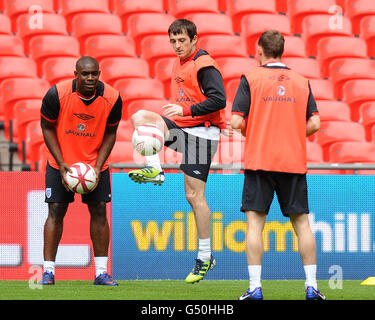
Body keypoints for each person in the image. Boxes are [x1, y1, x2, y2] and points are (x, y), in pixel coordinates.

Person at [128, 19, 227, 283]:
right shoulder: (178, 63)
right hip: (185, 129)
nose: (177, 45)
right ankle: (155, 170)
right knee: (140, 117)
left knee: (195, 197)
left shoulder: (204, 65)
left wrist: (186, 111)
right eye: (173, 41)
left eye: (182, 40)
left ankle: (205, 257)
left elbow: (219, 99)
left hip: (202, 134)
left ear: (195, 39)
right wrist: (183, 114)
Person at [231, 30, 326, 300]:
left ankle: (255, 288)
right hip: (293, 162)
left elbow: (237, 122)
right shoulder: (301, 80)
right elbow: (315, 123)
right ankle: (311, 287)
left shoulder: (251, 78)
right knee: (302, 225)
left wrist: (260, 130)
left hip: (260, 161)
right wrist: (292, 133)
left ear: (259, 49)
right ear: (282, 50)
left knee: (254, 225)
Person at [40, 56, 122, 286]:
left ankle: (101, 273)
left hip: (95, 164)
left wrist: (97, 167)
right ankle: (48, 272)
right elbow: (46, 127)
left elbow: (111, 133)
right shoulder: (56, 94)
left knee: (99, 211)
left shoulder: (113, 98)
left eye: (94, 74)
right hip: (61, 162)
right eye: (85, 74)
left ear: (99, 74)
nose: (90, 78)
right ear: (76, 73)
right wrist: (62, 163)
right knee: (55, 210)